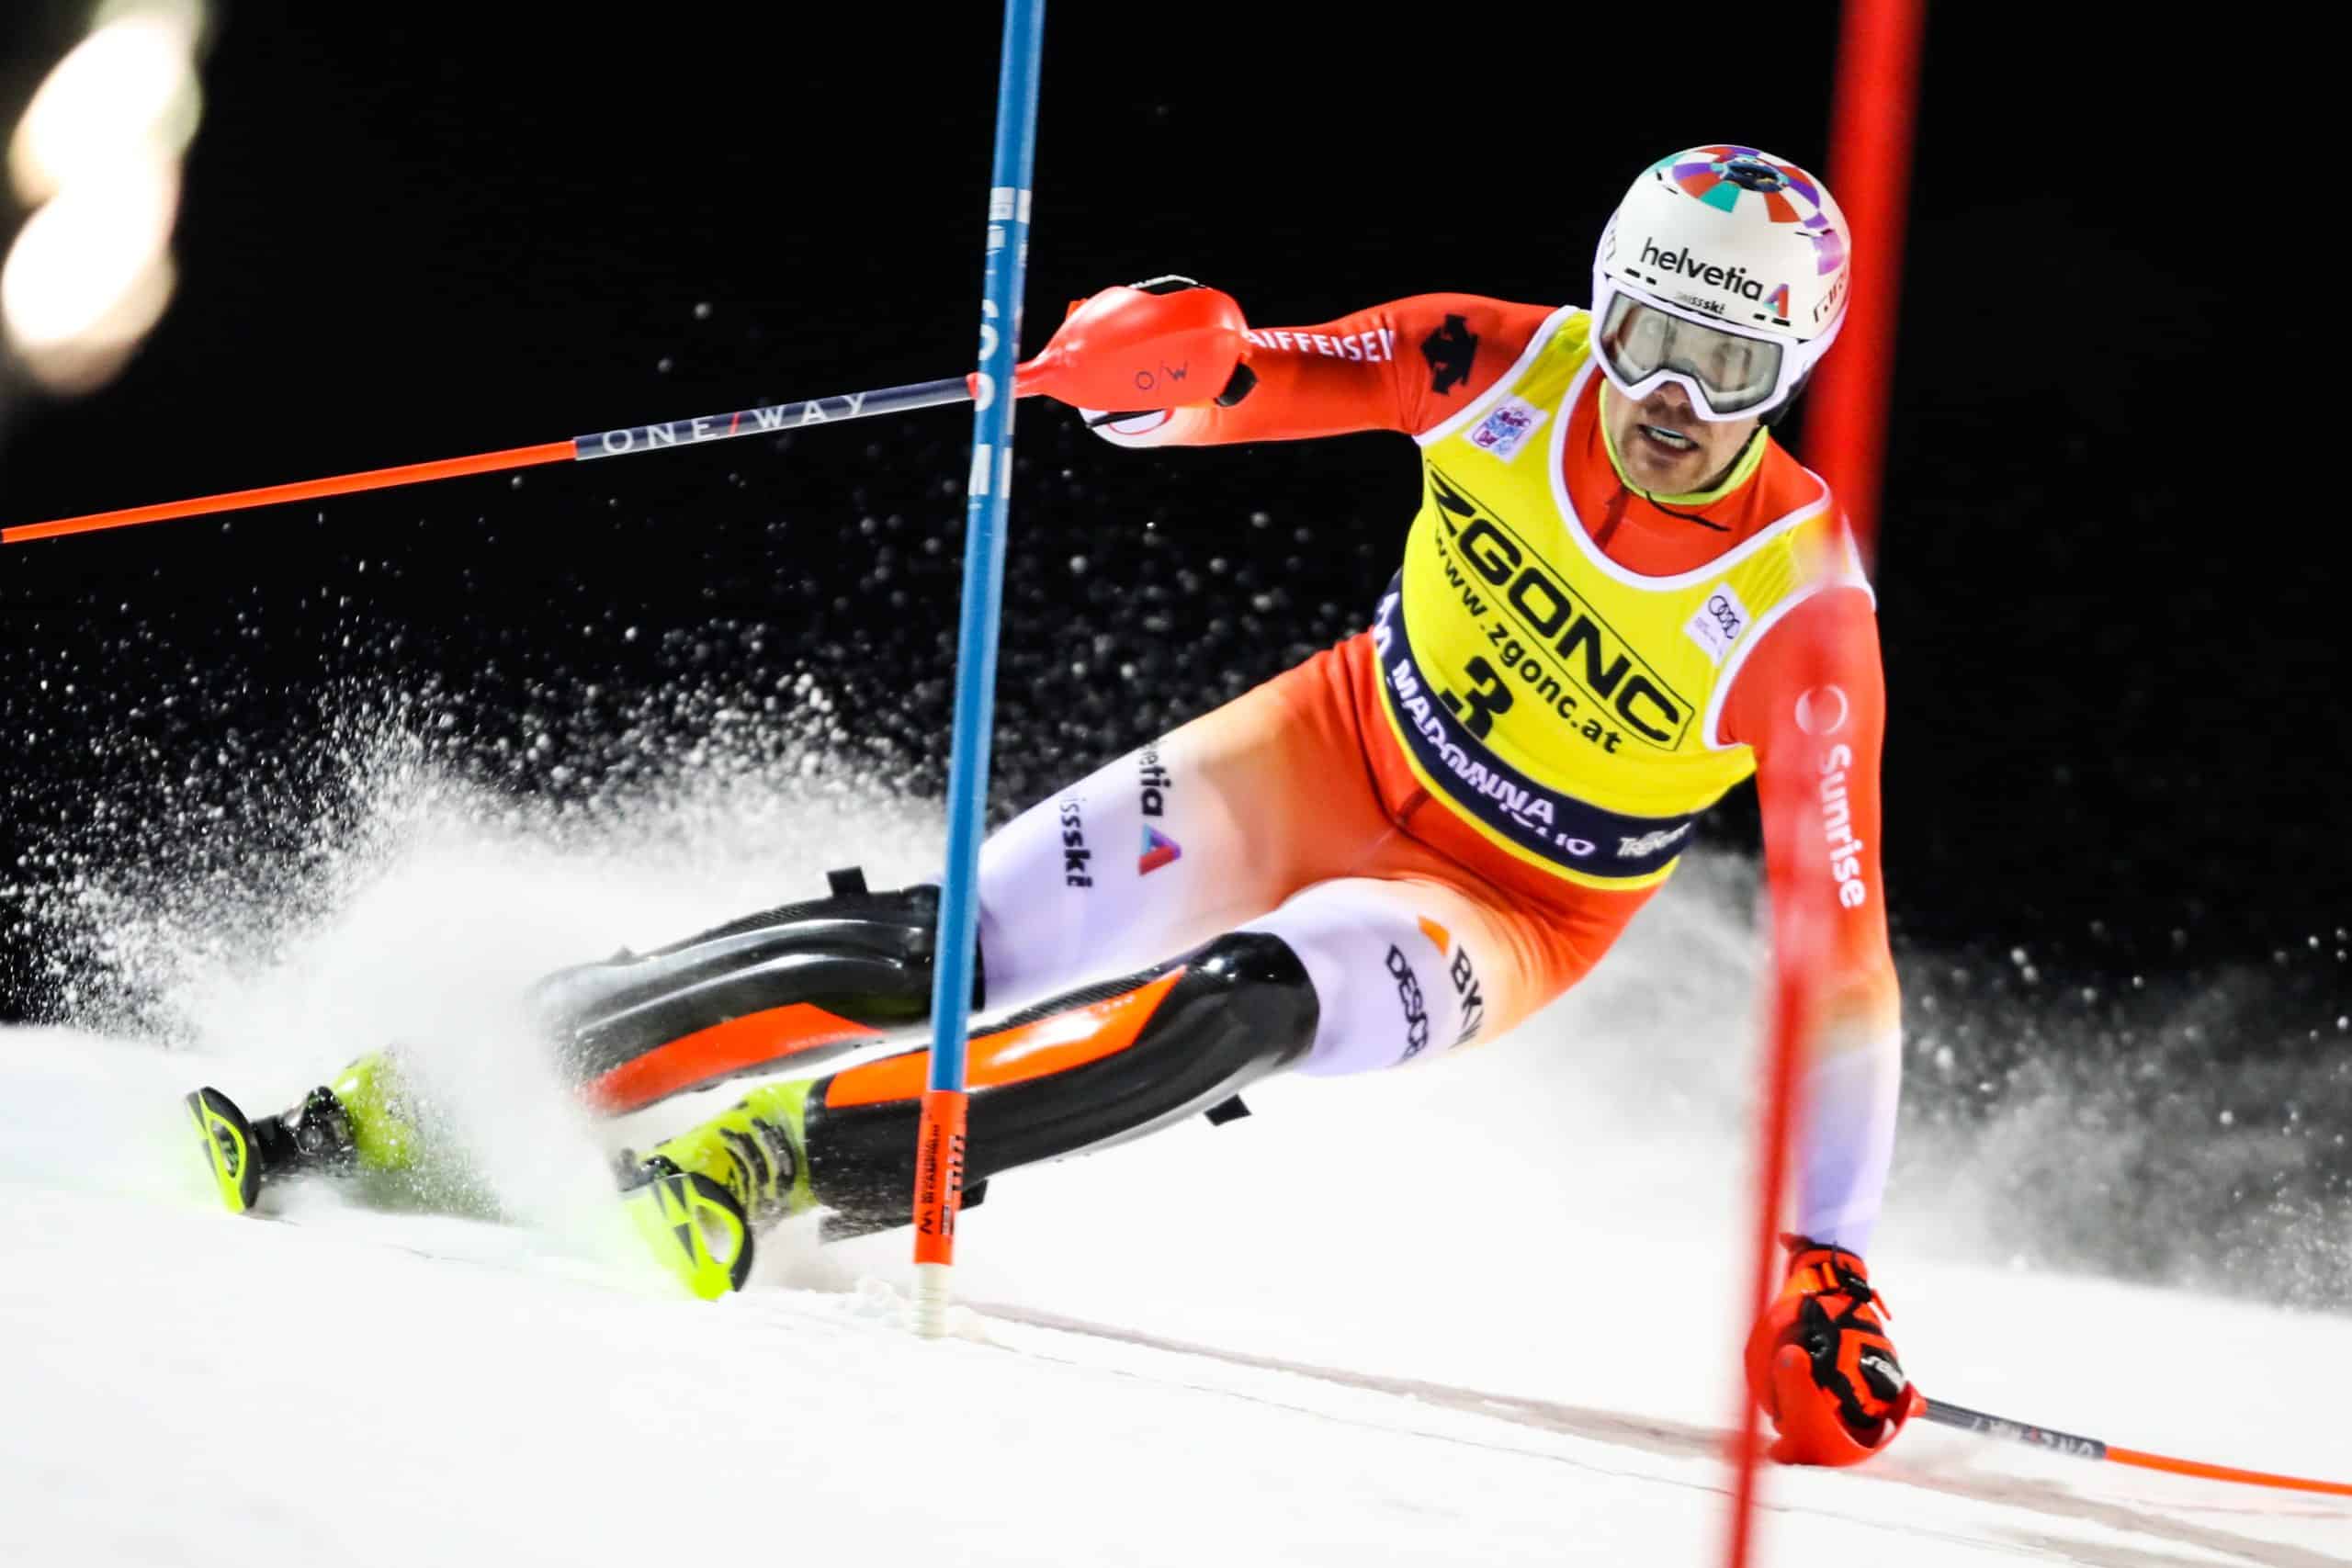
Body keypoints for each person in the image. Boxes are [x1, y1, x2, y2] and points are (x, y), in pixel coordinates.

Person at [185, 145, 1915, 1467]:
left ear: (1795, 373)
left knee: (1235, 1006)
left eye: (1729, 370)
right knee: (945, 940)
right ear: (1602, 305)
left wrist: (1823, 1262)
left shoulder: (1800, 614)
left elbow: (1843, 970)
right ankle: (395, 1112)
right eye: (1648, 338)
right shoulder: (1502, 364)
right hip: (1332, 740)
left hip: (1515, 899)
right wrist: (1155, 363)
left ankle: (781, 1162)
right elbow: (1254, 380)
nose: (1669, 402)